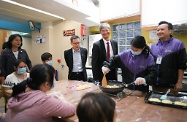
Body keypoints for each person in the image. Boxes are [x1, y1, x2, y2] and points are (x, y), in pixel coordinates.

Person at [4, 64, 75, 122]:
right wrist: (61, 99)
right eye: (53, 79)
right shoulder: (44, 101)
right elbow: (71, 109)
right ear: (46, 84)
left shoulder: (20, 91)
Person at [151, 21, 187, 93]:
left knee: (169, 103)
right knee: (154, 103)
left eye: (162, 29)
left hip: (171, 86)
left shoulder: (178, 44)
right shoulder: (153, 46)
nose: (159, 31)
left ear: (170, 31)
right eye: (158, 30)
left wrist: (179, 82)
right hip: (155, 85)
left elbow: (181, 65)